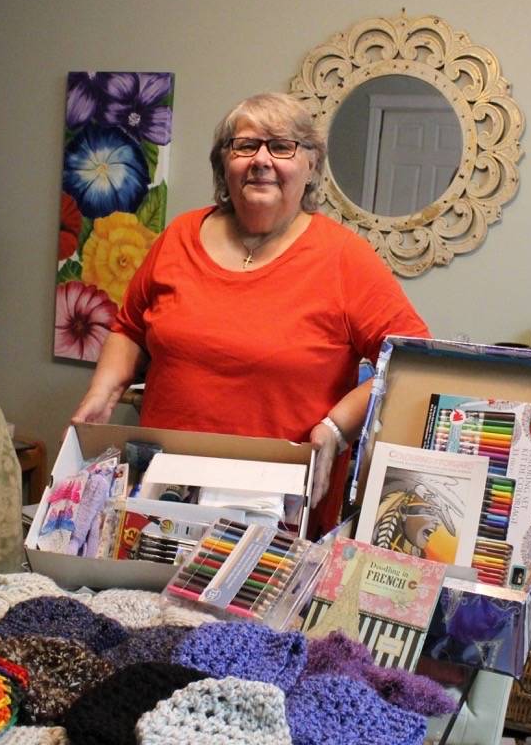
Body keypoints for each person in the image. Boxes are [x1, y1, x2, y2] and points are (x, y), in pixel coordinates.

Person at [72, 92, 430, 536]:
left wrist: (334, 431)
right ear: (225, 163)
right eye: (244, 146)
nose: (261, 160)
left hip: (274, 511)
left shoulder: (345, 259)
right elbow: (129, 328)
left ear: (311, 165)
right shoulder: (179, 236)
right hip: (165, 497)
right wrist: (103, 393)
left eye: (281, 147)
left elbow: (410, 364)